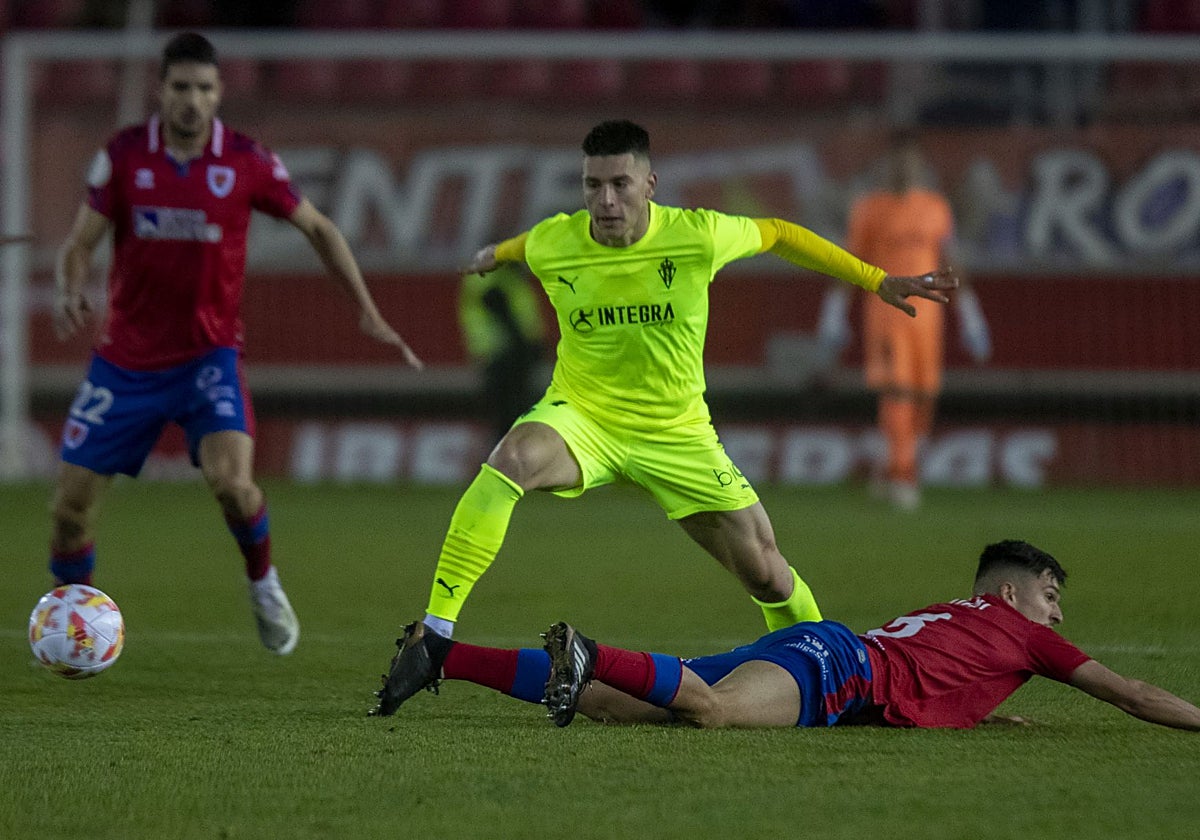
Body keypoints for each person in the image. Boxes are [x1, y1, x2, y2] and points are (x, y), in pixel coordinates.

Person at [372, 119, 956, 715]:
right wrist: (492, 254)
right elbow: (526, 244)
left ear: (650, 184)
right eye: (592, 185)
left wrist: (877, 279)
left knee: (769, 577)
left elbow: (779, 233)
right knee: (509, 460)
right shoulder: (557, 241)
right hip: (583, 419)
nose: (605, 200)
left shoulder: (698, 235)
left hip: (678, 435)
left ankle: (835, 675)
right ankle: (435, 632)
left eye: (620, 184)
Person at [49, 32, 422, 656]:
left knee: (233, 483)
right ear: (160, 92)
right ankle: (71, 629)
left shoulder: (247, 161)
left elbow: (319, 227)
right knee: (68, 512)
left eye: (203, 88)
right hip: (125, 362)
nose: (192, 100)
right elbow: (79, 243)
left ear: (219, 93)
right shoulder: (123, 155)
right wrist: (69, 286)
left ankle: (263, 581)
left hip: (208, 357)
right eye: (180, 87)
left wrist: (367, 311)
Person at [370, 540, 1200, 732]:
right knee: (715, 712)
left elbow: (935, 678)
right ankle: (586, 649)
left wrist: (983, 716)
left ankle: (448, 652)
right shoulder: (1026, 636)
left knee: (620, 710)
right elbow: (1129, 693)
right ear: (1016, 593)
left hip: (826, 649)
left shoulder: (958, 615)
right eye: (1052, 597)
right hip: (837, 667)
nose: (1059, 615)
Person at [817, 129, 990, 510]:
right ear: (887, 163)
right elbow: (850, 262)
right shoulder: (869, 208)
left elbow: (949, 260)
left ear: (918, 163)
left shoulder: (935, 208)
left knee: (924, 396)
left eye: (909, 159)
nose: (903, 166)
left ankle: (892, 465)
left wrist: (970, 314)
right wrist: (834, 313)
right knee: (897, 390)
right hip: (887, 313)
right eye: (897, 159)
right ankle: (902, 473)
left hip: (929, 318)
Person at [458, 263, 546, 445]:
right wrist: (526, 345)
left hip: (499, 354)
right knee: (511, 411)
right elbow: (499, 306)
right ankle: (510, 458)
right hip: (505, 354)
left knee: (506, 412)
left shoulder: (498, 278)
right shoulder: (497, 278)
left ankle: (506, 456)